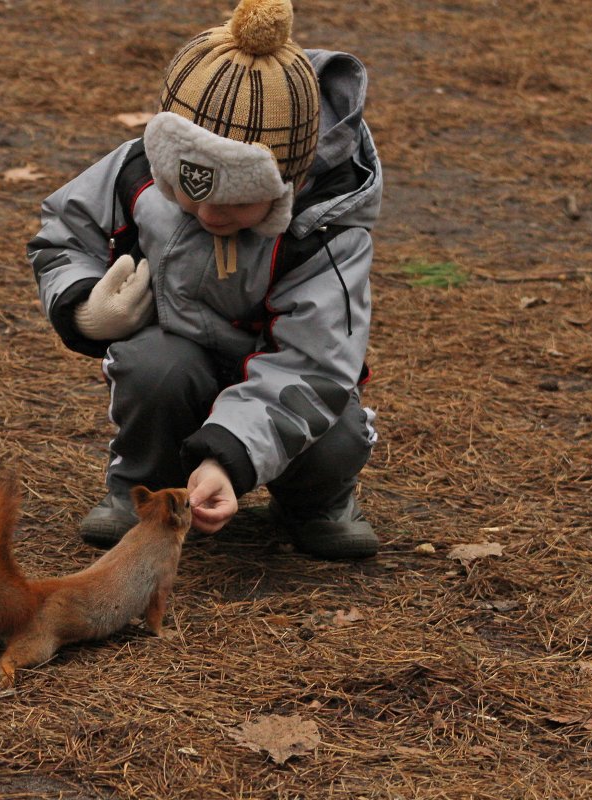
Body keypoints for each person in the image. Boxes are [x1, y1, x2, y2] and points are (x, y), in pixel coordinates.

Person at [28, 0, 383, 560]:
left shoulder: (324, 232)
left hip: (284, 381)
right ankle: (141, 490)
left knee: (334, 429)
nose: (212, 216)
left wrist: (228, 457)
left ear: (287, 179)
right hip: (181, 358)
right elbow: (64, 229)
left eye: (238, 201)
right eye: (189, 193)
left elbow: (315, 365)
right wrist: (85, 309)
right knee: (152, 366)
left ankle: (315, 502)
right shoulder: (138, 170)